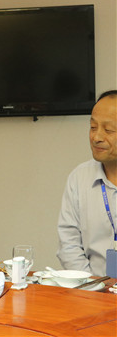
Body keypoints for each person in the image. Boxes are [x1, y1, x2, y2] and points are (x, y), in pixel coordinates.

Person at [57, 90, 117, 276]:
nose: (96, 137)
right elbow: (68, 245)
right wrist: (93, 285)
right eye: (93, 127)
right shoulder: (79, 177)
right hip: (91, 287)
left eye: (108, 130)